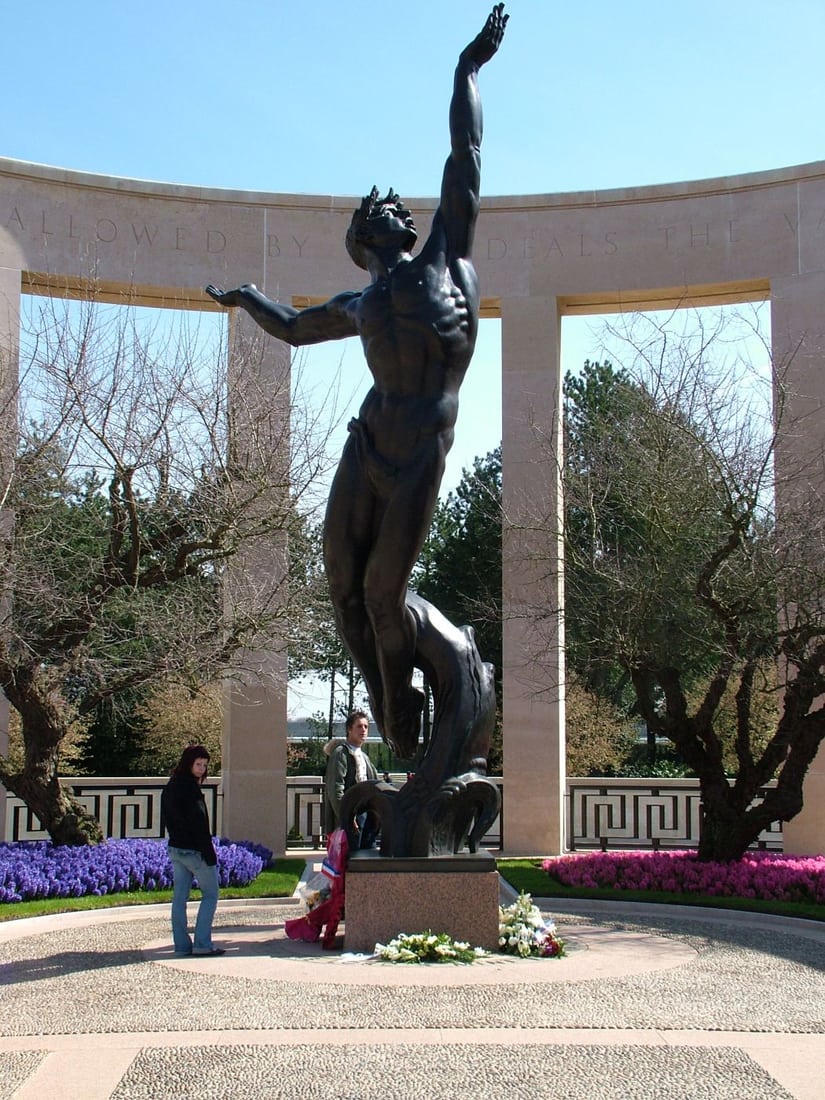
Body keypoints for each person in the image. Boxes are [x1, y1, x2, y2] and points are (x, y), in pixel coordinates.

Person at [206, 5, 508, 762]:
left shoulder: (447, 260)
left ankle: (405, 712)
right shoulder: (360, 303)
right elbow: (294, 327)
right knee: (340, 585)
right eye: (366, 211)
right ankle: (386, 697)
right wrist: (248, 297)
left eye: (387, 208)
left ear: (401, 226)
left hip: (417, 458)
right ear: (358, 239)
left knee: (382, 596)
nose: (379, 209)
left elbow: (464, 153)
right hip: (366, 444)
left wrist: (466, 68)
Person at [161, 745, 225, 957]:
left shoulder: (171, 786)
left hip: (176, 848)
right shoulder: (190, 788)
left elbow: (168, 818)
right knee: (211, 895)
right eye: (198, 764)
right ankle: (202, 944)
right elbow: (199, 824)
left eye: (204, 765)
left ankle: (181, 945)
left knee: (179, 898)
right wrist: (208, 853)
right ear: (188, 763)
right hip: (194, 850)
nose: (202, 769)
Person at [324, 710, 379, 849]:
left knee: (367, 858)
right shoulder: (340, 754)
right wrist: (347, 817)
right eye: (359, 726)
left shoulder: (364, 756)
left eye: (366, 727)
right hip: (351, 816)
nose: (363, 730)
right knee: (350, 861)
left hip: (367, 815)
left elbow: (375, 784)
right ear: (349, 729)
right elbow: (335, 789)